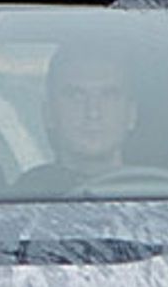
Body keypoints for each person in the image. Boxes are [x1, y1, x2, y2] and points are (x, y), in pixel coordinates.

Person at [13, 41, 141, 196]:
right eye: (76, 96)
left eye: (108, 95)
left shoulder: (162, 192)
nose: (93, 113)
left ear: (131, 114)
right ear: (49, 114)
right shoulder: (18, 200)